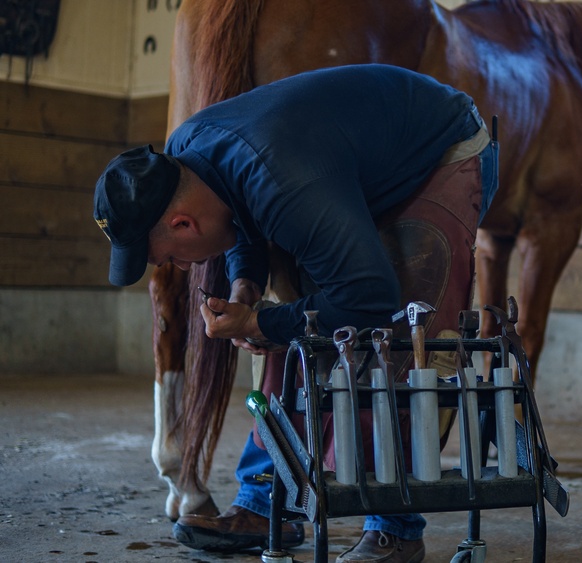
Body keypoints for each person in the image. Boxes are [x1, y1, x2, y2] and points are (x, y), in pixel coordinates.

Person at [93, 64, 497, 563]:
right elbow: (235, 213)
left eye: (170, 256)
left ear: (181, 221)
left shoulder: (283, 185)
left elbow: (368, 299)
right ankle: (269, 504)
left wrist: (261, 322)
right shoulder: (185, 155)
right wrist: (245, 289)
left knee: (395, 335)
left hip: (437, 153)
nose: (179, 266)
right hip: (331, 169)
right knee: (296, 325)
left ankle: (394, 528)